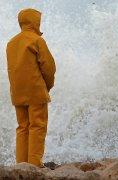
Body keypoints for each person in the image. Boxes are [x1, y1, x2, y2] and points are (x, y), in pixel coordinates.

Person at [6, 8, 56, 167]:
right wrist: (48, 85)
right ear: (34, 22)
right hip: (35, 91)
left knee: (22, 128)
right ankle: (34, 165)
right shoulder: (37, 40)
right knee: (37, 126)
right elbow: (49, 67)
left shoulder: (11, 43)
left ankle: (21, 165)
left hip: (17, 92)